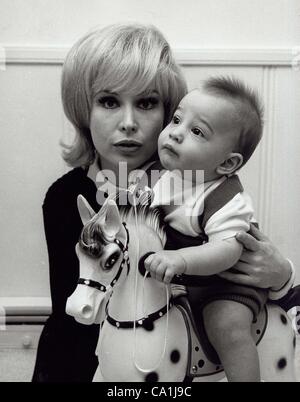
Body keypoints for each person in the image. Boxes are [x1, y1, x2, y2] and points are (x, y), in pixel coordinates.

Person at [32, 23, 294, 382]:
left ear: (167, 111)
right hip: (91, 349)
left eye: (146, 103)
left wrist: (282, 276)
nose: (128, 123)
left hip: (178, 355)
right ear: (83, 109)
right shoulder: (65, 198)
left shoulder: (194, 183)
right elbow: (75, 316)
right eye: (109, 101)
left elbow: (244, 264)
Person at [144, 76, 268, 381]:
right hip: (179, 277)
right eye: (176, 120)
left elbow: (227, 251)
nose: (175, 134)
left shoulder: (226, 199)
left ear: (227, 164)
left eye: (196, 131)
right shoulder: (159, 175)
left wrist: (181, 259)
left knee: (225, 326)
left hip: (225, 283)